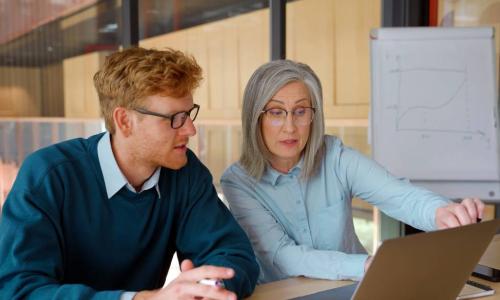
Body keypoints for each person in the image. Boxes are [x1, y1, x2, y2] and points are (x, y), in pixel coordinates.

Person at [0, 47, 259, 299]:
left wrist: (205, 287)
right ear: (124, 121)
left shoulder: (185, 172)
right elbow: (19, 290)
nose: (190, 130)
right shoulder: (48, 175)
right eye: (174, 118)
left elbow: (233, 254)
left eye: (189, 114)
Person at [220, 59, 484, 284]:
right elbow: (283, 256)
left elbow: (399, 195)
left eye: (300, 111)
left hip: (355, 289)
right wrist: (368, 265)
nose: (290, 127)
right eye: (277, 112)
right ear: (256, 117)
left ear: (314, 115)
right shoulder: (238, 182)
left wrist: (440, 213)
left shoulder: (334, 156)